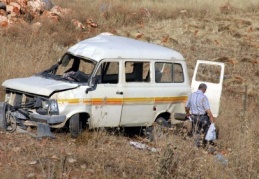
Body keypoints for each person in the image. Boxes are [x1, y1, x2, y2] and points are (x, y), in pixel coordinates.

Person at [185, 83, 215, 147]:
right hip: (203, 117)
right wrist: (211, 118)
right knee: (208, 130)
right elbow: (207, 110)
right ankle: (209, 145)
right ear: (204, 89)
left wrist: (187, 113)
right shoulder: (203, 97)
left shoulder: (192, 95)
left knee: (196, 132)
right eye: (205, 90)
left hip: (194, 117)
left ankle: (196, 147)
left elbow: (187, 107)